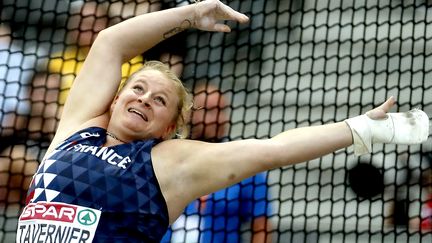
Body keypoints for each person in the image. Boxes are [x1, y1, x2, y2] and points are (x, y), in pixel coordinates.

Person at [16, 0, 429, 242]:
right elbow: (110, 41)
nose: (143, 99)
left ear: (169, 128)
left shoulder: (168, 163)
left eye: (160, 100)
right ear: (117, 95)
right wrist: (190, 14)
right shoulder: (74, 130)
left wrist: (363, 127)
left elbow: (273, 150)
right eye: (137, 88)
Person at [162, 84, 272, 242]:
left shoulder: (244, 165)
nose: (220, 119)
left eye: (223, 111)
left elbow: (262, 227)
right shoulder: (167, 157)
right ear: (189, 115)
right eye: (211, 111)